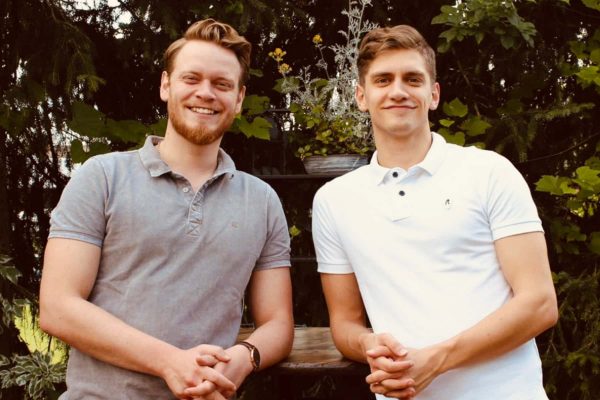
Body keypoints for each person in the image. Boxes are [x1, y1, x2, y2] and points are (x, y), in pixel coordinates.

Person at [39, 19, 293, 400]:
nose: (205, 93)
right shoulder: (102, 177)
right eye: (192, 78)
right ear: (166, 85)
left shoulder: (262, 201)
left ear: (239, 99)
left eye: (222, 84)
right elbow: (58, 307)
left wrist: (244, 357)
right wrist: (169, 362)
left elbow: (278, 323)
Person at [312, 24, 558, 400]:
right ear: (362, 96)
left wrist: (437, 359)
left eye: (412, 79)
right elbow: (345, 323)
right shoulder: (334, 200)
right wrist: (368, 345)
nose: (398, 91)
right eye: (383, 80)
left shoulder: (489, 172)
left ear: (434, 94)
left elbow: (539, 304)